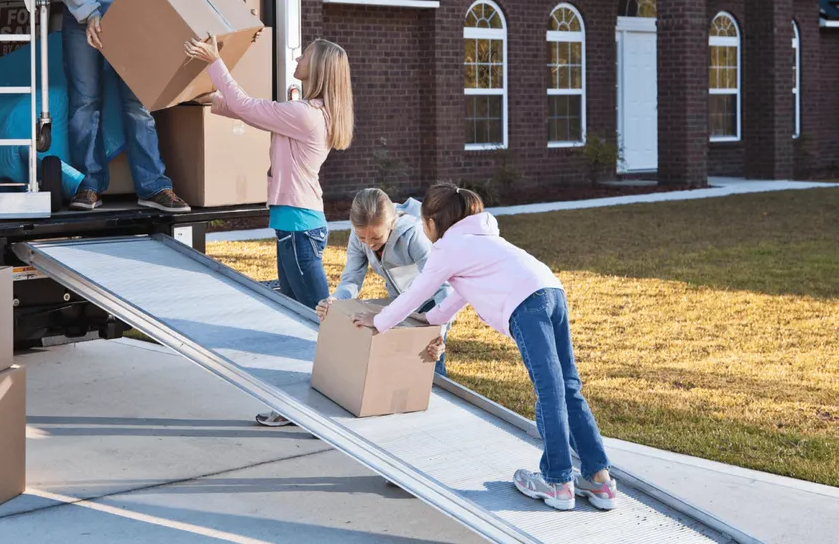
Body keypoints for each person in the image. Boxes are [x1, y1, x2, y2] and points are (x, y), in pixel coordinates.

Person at [352, 182, 618, 512]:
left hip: (526, 304)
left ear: (433, 222)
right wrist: (430, 319)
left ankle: (557, 481)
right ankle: (599, 480)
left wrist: (378, 322)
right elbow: (460, 295)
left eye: (423, 222)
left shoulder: (448, 248)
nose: (422, 227)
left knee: (550, 392)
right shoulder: (482, 240)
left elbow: (415, 293)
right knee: (568, 387)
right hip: (551, 290)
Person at [184, 33, 354, 428]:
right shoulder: (307, 112)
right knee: (295, 322)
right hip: (295, 226)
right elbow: (248, 111)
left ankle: (330, 409)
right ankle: (298, 407)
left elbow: (248, 105)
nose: (299, 55)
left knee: (318, 324)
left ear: (320, 69)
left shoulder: (306, 115)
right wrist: (209, 101)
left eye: (306, 54)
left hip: (299, 228)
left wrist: (215, 61)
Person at [61, 0, 202, 213]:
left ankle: (153, 187)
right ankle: (88, 186)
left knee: (139, 106)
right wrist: (89, 14)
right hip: (88, 19)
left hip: (137, 26)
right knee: (85, 103)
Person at [315, 188, 451, 377]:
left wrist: (441, 332)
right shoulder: (358, 236)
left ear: (392, 223)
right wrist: (336, 299)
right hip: (399, 305)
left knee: (430, 370)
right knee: (401, 369)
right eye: (363, 237)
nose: (369, 244)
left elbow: (443, 287)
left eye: (376, 238)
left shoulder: (413, 235)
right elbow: (352, 277)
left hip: (431, 306)